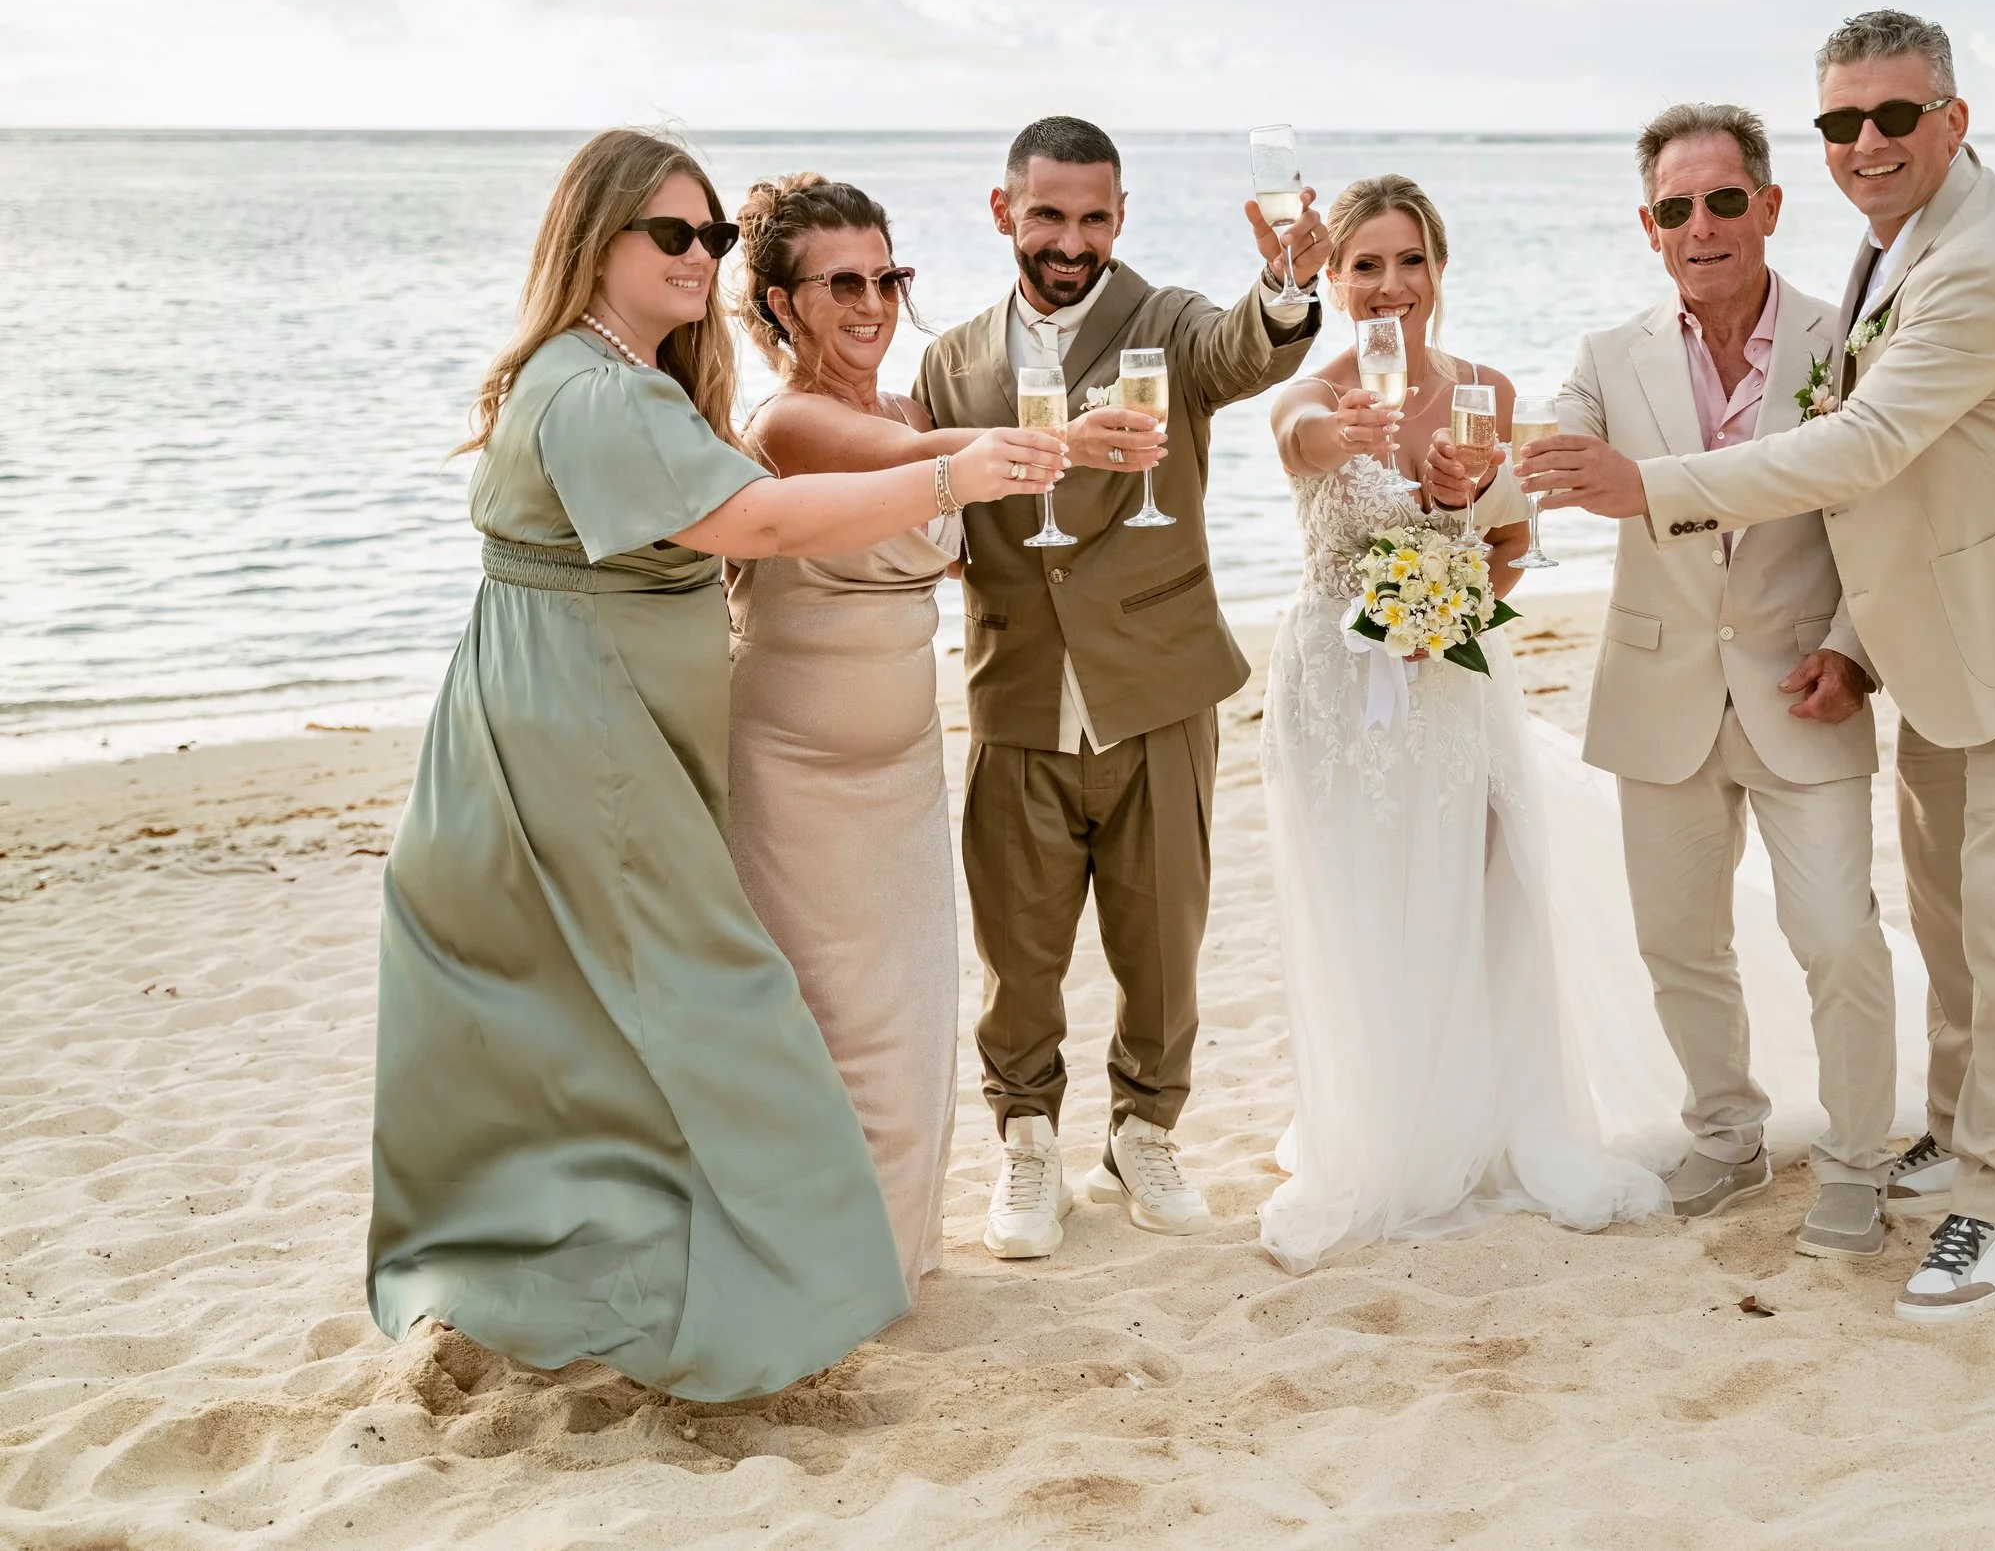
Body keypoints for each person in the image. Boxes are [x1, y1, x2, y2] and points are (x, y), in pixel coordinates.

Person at [367, 129, 1065, 1400]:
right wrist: (956, 471)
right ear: (598, 241)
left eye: (712, 236)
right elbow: (751, 519)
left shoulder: (626, 377)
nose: (699, 257)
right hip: (585, 742)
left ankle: (602, 1294)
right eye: (671, 235)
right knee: (722, 1011)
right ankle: (778, 1285)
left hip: (610, 729)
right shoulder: (594, 389)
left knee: (591, 1025)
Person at [1521, 12, 1995, 1324]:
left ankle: (1994, 1203)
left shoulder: (1982, 261)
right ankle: (1945, 1130)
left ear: (1955, 121)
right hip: (1939, 646)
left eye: (1893, 116)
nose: (1865, 143)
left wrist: (1649, 487)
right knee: (1944, 917)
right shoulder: (1893, 243)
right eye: (1841, 122)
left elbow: (1864, 447)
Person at [911, 117, 1328, 1261]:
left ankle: (1144, 1127)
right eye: (1048, 215)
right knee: (1019, 946)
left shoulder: (1168, 325)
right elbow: (923, 505)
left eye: (1094, 217)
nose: (1070, 240)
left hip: (1157, 688)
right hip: (1017, 689)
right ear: (1004, 212)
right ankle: (1028, 1136)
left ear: (1121, 217)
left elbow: (1249, 348)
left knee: (1160, 939)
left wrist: (1286, 286)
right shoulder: (948, 360)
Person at [1255, 173, 1666, 1272]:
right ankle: (1385, 1130)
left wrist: (1451, 525)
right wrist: (1341, 439)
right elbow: (1300, 446)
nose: (1391, 287)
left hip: (1449, 677)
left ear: (1438, 267)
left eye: (1410, 261)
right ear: (1335, 280)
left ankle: (1494, 1117)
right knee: (1364, 897)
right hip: (1339, 689)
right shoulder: (1311, 394)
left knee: (1485, 887)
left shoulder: (1485, 388)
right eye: (1365, 266)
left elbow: (1508, 548)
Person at [1556, 103, 1901, 1263]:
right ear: (1649, 229)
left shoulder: (1843, 338)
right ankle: (1726, 1130)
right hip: (1659, 699)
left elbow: (1893, 511)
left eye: (1720, 200)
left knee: (1836, 937)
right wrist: (1462, 473)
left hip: (1809, 687)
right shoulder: (1607, 358)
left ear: (1767, 204)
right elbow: (1545, 466)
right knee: (1679, 944)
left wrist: (1856, 647)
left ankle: (1855, 1161)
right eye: (1674, 208)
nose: (1699, 226)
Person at [723, 172, 1067, 1285]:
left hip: (907, 758)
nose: (871, 303)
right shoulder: (787, 420)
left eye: (887, 276)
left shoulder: (914, 411)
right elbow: (907, 471)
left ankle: (892, 1255)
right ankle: (806, 1263)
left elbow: (940, 487)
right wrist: (1042, 443)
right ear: (781, 304)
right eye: (841, 283)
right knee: (818, 1019)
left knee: (910, 1017)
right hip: (789, 763)